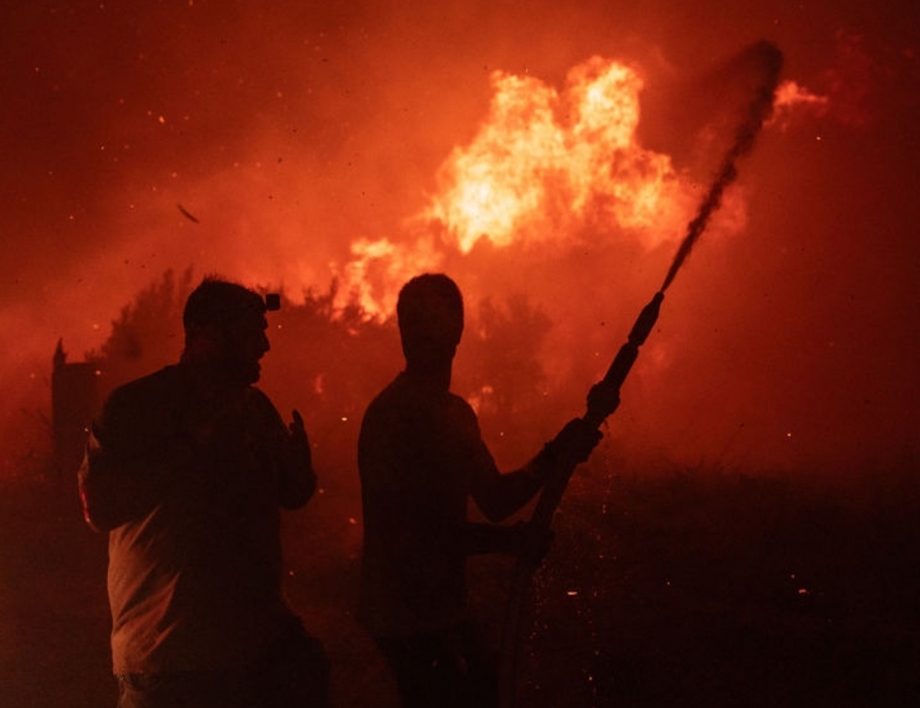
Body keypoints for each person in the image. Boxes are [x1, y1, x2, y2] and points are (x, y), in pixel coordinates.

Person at [78, 277, 330, 708]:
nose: (264, 348)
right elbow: (99, 508)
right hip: (170, 666)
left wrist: (300, 472)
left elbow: (291, 494)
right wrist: (192, 444)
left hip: (255, 659)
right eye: (253, 334)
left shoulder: (254, 408)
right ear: (207, 336)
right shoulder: (138, 406)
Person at [357, 273, 607, 707]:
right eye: (414, 322)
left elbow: (494, 500)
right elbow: (419, 534)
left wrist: (555, 454)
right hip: (404, 619)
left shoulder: (456, 415)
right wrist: (510, 542)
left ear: (458, 331)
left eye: (434, 322)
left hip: (443, 612)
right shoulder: (392, 417)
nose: (422, 334)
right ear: (400, 330)